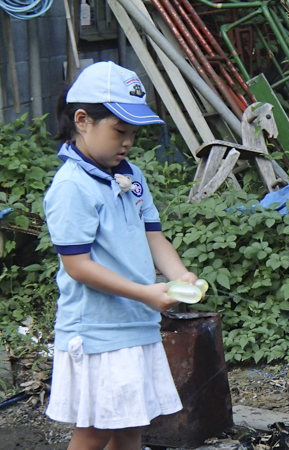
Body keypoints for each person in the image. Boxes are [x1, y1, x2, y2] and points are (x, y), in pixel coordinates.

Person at [43, 61, 199, 450]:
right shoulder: (71, 187)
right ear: (83, 120)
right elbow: (77, 266)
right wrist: (147, 293)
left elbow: (153, 237)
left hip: (135, 323)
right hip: (98, 331)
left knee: (131, 425)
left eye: (133, 133)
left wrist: (179, 274)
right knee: (95, 431)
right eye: (118, 131)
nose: (127, 142)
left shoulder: (131, 175)